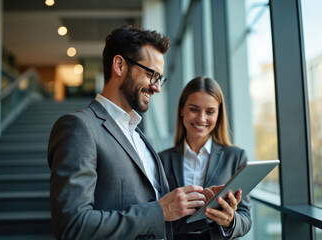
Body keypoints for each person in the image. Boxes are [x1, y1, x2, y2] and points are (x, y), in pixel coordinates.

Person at [47, 25, 207, 240]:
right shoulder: (79, 127)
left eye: (160, 78)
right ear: (120, 65)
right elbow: (73, 226)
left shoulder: (139, 136)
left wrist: (209, 209)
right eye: (151, 74)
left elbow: (158, 222)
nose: (157, 87)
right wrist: (160, 211)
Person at [159, 76, 251, 239]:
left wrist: (230, 221)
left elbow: (245, 217)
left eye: (210, 112)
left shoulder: (235, 157)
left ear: (218, 114)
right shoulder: (161, 160)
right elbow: (158, 214)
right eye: (194, 109)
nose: (201, 118)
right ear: (182, 109)